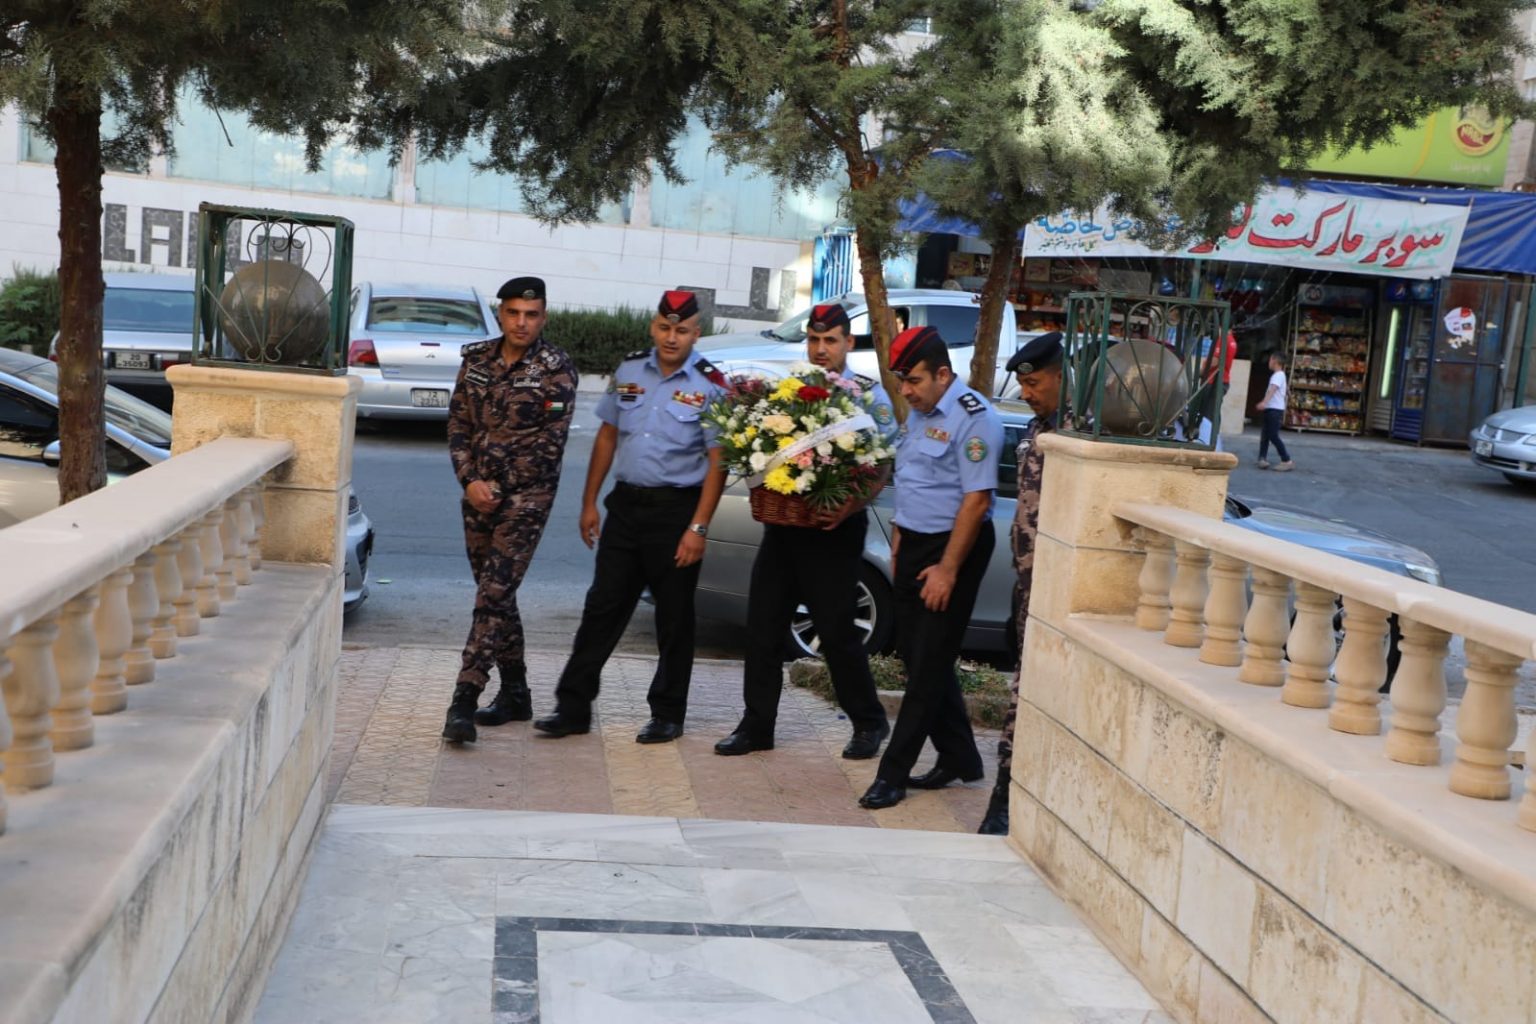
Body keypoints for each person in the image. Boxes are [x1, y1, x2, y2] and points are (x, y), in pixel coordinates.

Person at [532, 290, 727, 743]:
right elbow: (607, 437)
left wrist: (698, 527)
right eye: (664, 327)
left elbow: (719, 461)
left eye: (681, 330)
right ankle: (572, 707)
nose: (671, 337)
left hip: (677, 512)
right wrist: (589, 502)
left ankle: (667, 714)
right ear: (653, 327)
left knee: (673, 618)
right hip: (625, 507)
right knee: (602, 607)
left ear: (696, 334)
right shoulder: (629, 370)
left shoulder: (711, 384)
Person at [715, 302, 898, 760]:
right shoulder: (788, 391)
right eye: (814, 340)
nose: (820, 349)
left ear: (847, 343)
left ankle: (869, 723)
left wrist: (850, 504)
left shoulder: (867, 397)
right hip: (785, 528)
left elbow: (882, 465)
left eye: (830, 340)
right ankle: (757, 726)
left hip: (835, 529)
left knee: (836, 633)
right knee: (762, 628)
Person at [858, 326, 1003, 811]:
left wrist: (947, 569)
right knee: (918, 656)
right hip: (914, 543)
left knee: (926, 667)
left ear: (943, 373)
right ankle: (961, 756)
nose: (905, 390)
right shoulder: (921, 411)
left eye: (914, 380)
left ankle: (891, 774)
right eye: (901, 380)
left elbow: (976, 501)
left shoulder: (975, 418)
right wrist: (899, 539)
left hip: (953, 547)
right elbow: (914, 479)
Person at [443, 276, 578, 744]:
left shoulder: (556, 368)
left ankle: (464, 698)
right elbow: (458, 423)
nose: (522, 322)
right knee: (495, 593)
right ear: (500, 313)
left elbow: (550, 445)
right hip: (477, 492)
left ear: (544, 317)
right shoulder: (476, 360)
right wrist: (470, 481)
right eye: (514, 313)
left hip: (527, 497)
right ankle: (517, 692)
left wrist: (497, 486)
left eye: (532, 314)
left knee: (492, 594)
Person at [978, 331, 1063, 835]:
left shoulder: (1080, 432)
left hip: (1058, 587)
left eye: (1034, 384)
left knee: (1028, 693)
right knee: (1023, 686)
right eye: (1024, 385)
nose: (1027, 393)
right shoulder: (1037, 427)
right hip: (1026, 584)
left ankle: (1005, 796)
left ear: (1062, 376)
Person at [1255, 351, 1295, 471]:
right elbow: (1284, 388)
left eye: (1270, 360)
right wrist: (1288, 393)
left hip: (1274, 409)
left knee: (1272, 435)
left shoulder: (1278, 375)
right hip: (1272, 408)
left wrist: (1264, 402)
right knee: (1265, 435)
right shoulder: (1280, 375)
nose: (1269, 362)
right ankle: (1262, 458)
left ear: (1275, 361)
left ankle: (1286, 460)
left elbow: (1273, 389)